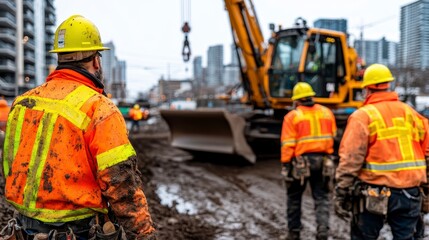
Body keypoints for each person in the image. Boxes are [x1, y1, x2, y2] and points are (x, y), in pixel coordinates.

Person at [1, 15, 155, 239]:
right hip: (78, 231)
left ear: (60, 58)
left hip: (24, 230)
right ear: (96, 61)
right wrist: (145, 234)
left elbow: (10, 166)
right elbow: (123, 187)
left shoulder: (23, 103)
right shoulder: (100, 110)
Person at [334, 63, 429, 239]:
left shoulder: (362, 116)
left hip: (373, 194)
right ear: (388, 85)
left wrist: (341, 191)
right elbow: (427, 152)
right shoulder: (411, 113)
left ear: (367, 89)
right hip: (410, 193)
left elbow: (351, 158)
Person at [280, 82, 337, 240]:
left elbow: (288, 144)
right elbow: (333, 136)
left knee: (294, 197)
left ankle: (294, 234)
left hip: (300, 163)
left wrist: (286, 165)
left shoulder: (293, 116)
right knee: (322, 198)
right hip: (324, 161)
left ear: (297, 100)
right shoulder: (326, 113)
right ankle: (323, 233)